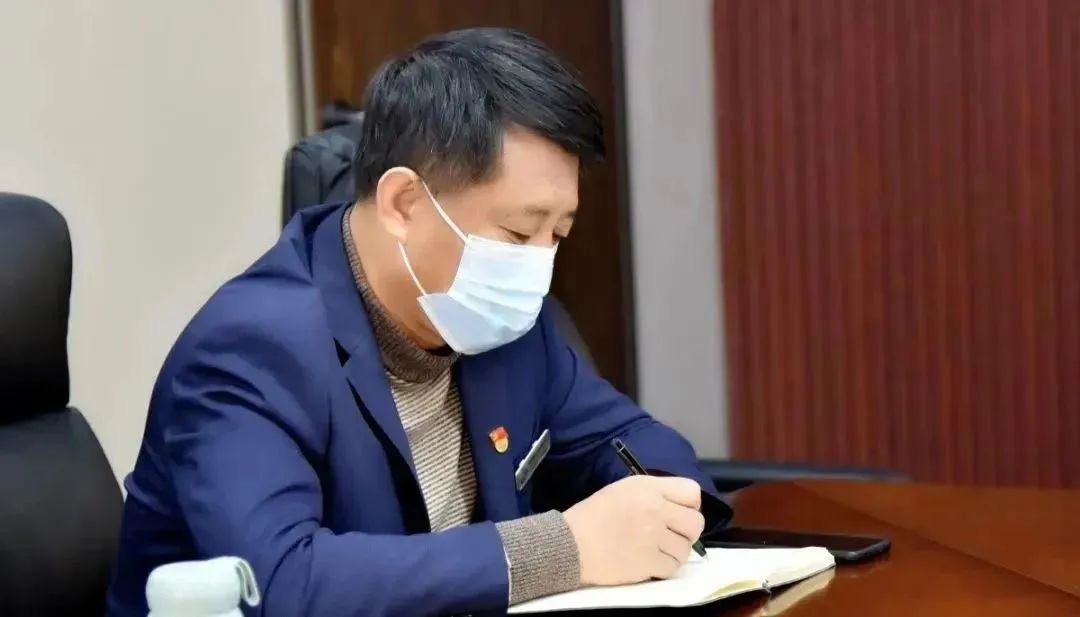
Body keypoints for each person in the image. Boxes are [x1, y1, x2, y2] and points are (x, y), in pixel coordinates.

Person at [107, 27, 721, 617]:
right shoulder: (251, 348)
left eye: (557, 234)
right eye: (518, 232)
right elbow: (279, 584)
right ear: (403, 204)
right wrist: (562, 548)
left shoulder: (503, 323)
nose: (538, 266)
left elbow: (631, 442)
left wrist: (660, 507)